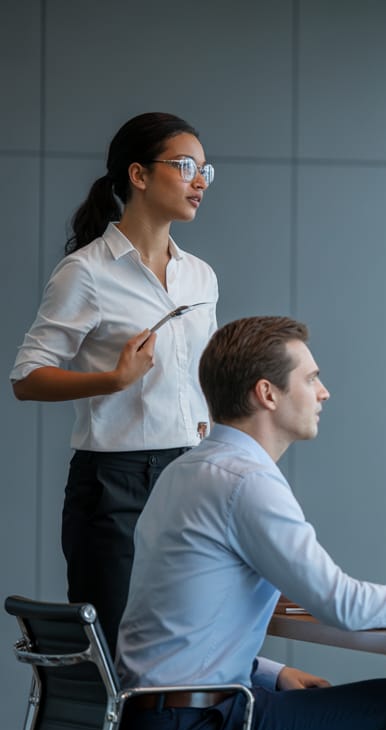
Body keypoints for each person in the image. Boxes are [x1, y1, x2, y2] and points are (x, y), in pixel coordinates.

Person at [114, 316, 386, 730]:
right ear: (267, 394)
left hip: (150, 723)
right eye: (310, 378)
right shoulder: (246, 481)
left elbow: (187, 632)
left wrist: (275, 673)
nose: (323, 392)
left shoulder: (189, 470)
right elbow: (341, 604)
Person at [10, 112, 218, 651]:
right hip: (114, 483)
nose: (200, 181)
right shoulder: (87, 271)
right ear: (139, 175)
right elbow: (27, 378)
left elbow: (206, 378)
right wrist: (112, 379)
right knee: (115, 648)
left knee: (190, 637)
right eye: (186, 166)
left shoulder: (200, 275)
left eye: (205, 171)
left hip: (190, 472)